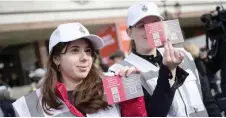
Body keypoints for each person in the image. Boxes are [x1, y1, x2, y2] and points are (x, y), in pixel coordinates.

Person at [109, 2, 214, 117]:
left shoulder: (184, 55)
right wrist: (168, 71)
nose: (149, 30)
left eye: (155, 23)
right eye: (141, 26)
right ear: (129, 33)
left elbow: (208, 100)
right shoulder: (117, 71)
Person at [12, 23, 124, 117]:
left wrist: (131, 82)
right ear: (56, 59)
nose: (85, 57)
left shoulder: (112, 85)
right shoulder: (28, 105)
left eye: (88, 51)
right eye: (75, 50)